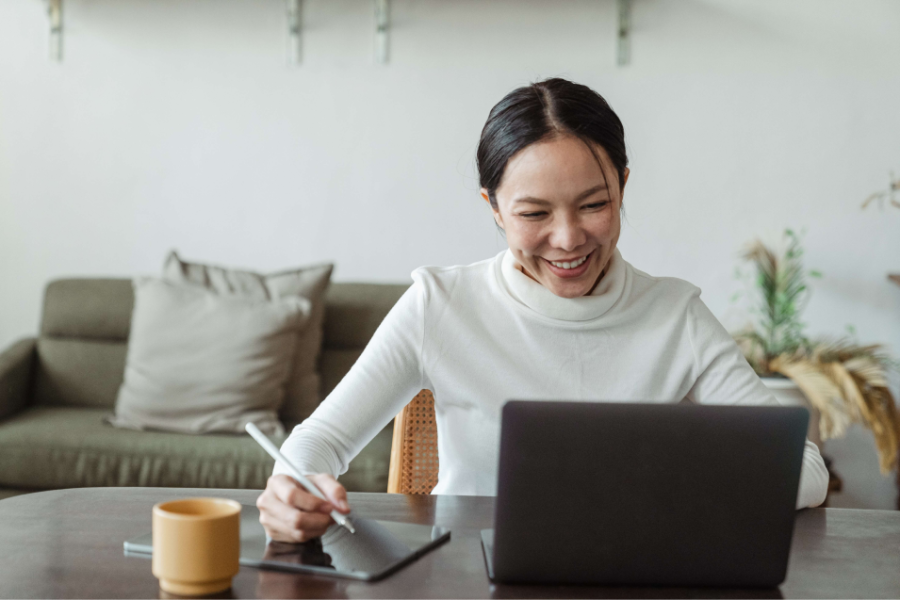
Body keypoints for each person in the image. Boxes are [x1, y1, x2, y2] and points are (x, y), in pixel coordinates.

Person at [257, 78, 829, 542]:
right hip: (466, 574)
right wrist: (293, 488)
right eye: (533, 214)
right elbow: (318, 442)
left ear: (623, 188)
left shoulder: (675, 315)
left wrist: (682, 485)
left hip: (631, 574)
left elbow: (804, 468)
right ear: (495, 209)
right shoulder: (440, 305)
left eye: (595, 204)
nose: (568, 239)